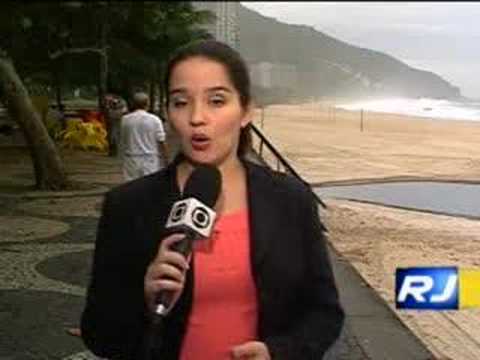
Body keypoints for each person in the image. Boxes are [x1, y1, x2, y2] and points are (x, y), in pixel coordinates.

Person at [80, 40, 344, 359]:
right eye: (181, 102)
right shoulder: (128, 205)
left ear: (246, 111)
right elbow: (100, 335)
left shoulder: (291, 199)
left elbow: (325, 313)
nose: (197, 117)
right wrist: (145, 299)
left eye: (216, 100)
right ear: (168, 112)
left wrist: (279, 352)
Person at [119, 92, 169, 182]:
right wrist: (166, 159)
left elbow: (123, 140)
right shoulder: (155, 120)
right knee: (149, 185)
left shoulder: (125, 120)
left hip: (131, 158)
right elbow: (161, 141)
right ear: (147, 104)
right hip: (150, 159)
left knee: (131, 186)